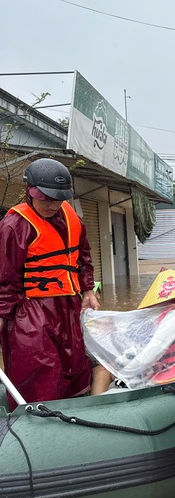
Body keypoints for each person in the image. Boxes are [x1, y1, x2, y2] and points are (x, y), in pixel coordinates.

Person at [0, 158, 100, 407]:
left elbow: (82, 256)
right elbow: (5, 278)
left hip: (68, 305)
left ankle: (76, 417)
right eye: (44, 198)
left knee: (74, 364)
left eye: (57, 199)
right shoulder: (15, 225)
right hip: (31, 312)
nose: (51, 205)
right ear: (30, 192)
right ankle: (36, 421)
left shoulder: (71, 216)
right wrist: (2, 316)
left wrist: (87, 289)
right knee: (40, 368)